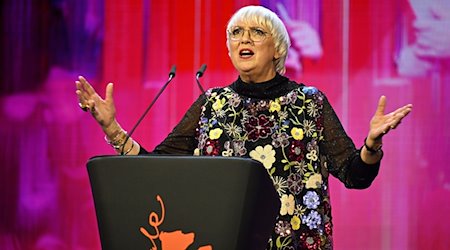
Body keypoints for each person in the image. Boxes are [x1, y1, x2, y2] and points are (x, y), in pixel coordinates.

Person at [75, 5, 412, 249]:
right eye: (236, 33)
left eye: (257, 32)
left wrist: (371, 145)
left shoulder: (310, 103)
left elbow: (355, 175)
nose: (243, 38)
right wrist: (114, 130)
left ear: (278, 48)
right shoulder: (213, 105)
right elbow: (155, 169)